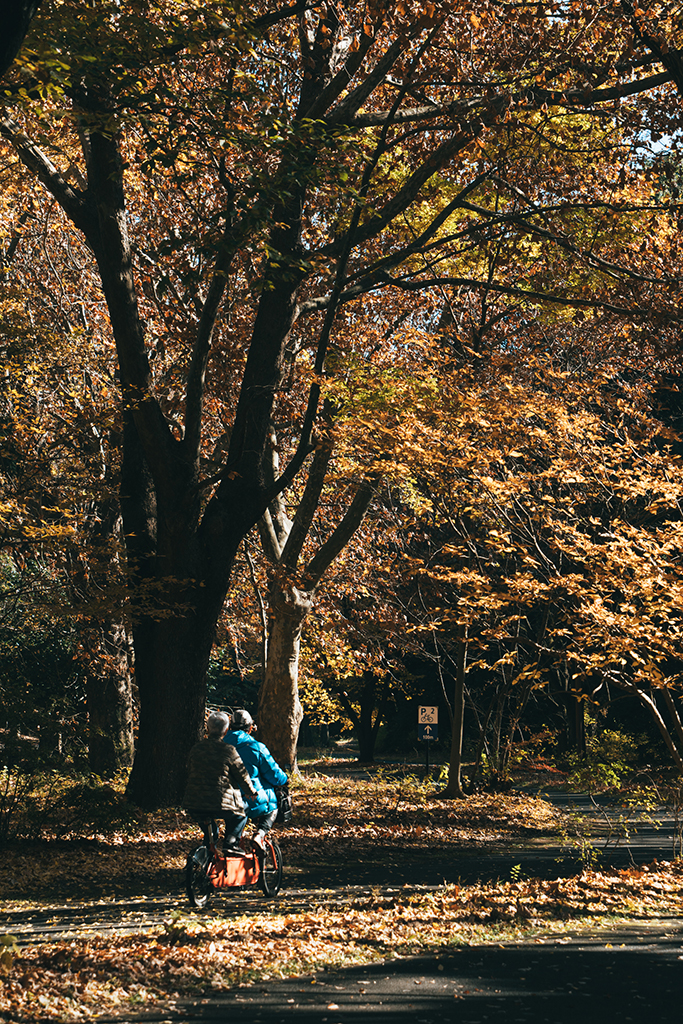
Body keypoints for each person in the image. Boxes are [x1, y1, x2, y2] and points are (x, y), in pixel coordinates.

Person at [182, 710, 257, 855]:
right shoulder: (229, 750)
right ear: (226, 730)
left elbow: (189, 770)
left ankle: (206, 852)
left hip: (194, 802)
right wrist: (251, 791)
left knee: (210, 830)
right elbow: (242, 774)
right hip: (220, 803)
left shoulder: (196, 748)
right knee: (242, 811)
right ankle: (231, 843)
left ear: (208, 728)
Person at [223, 709, 288, 849]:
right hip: (249, 799)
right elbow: (275, 776)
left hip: (222, 798)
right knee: (272, 806)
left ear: (229, 726)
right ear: (251, 728)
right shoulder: (256, 748)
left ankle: (233, 842)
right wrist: (285, 779)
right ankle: (259, 834)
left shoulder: (220, 745)